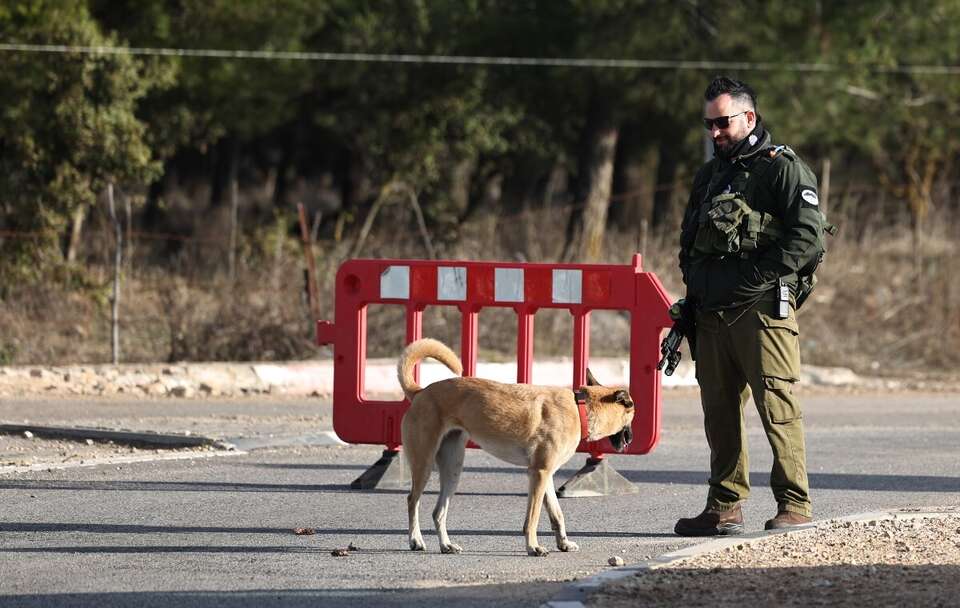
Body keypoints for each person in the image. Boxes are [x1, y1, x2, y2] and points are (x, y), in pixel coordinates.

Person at [674, 76, 825, 536]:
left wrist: (753, 281)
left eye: (723, 122)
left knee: (776, 405)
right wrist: (694, 297)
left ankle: (794, 504)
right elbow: (689, 243)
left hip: (761, 312)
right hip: (711, 314)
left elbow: (806, 238)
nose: (715, 132)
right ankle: (724, 506)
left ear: (749, 118)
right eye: (709, 124)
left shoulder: (782, 169)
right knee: (719, 414)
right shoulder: (709, 175)